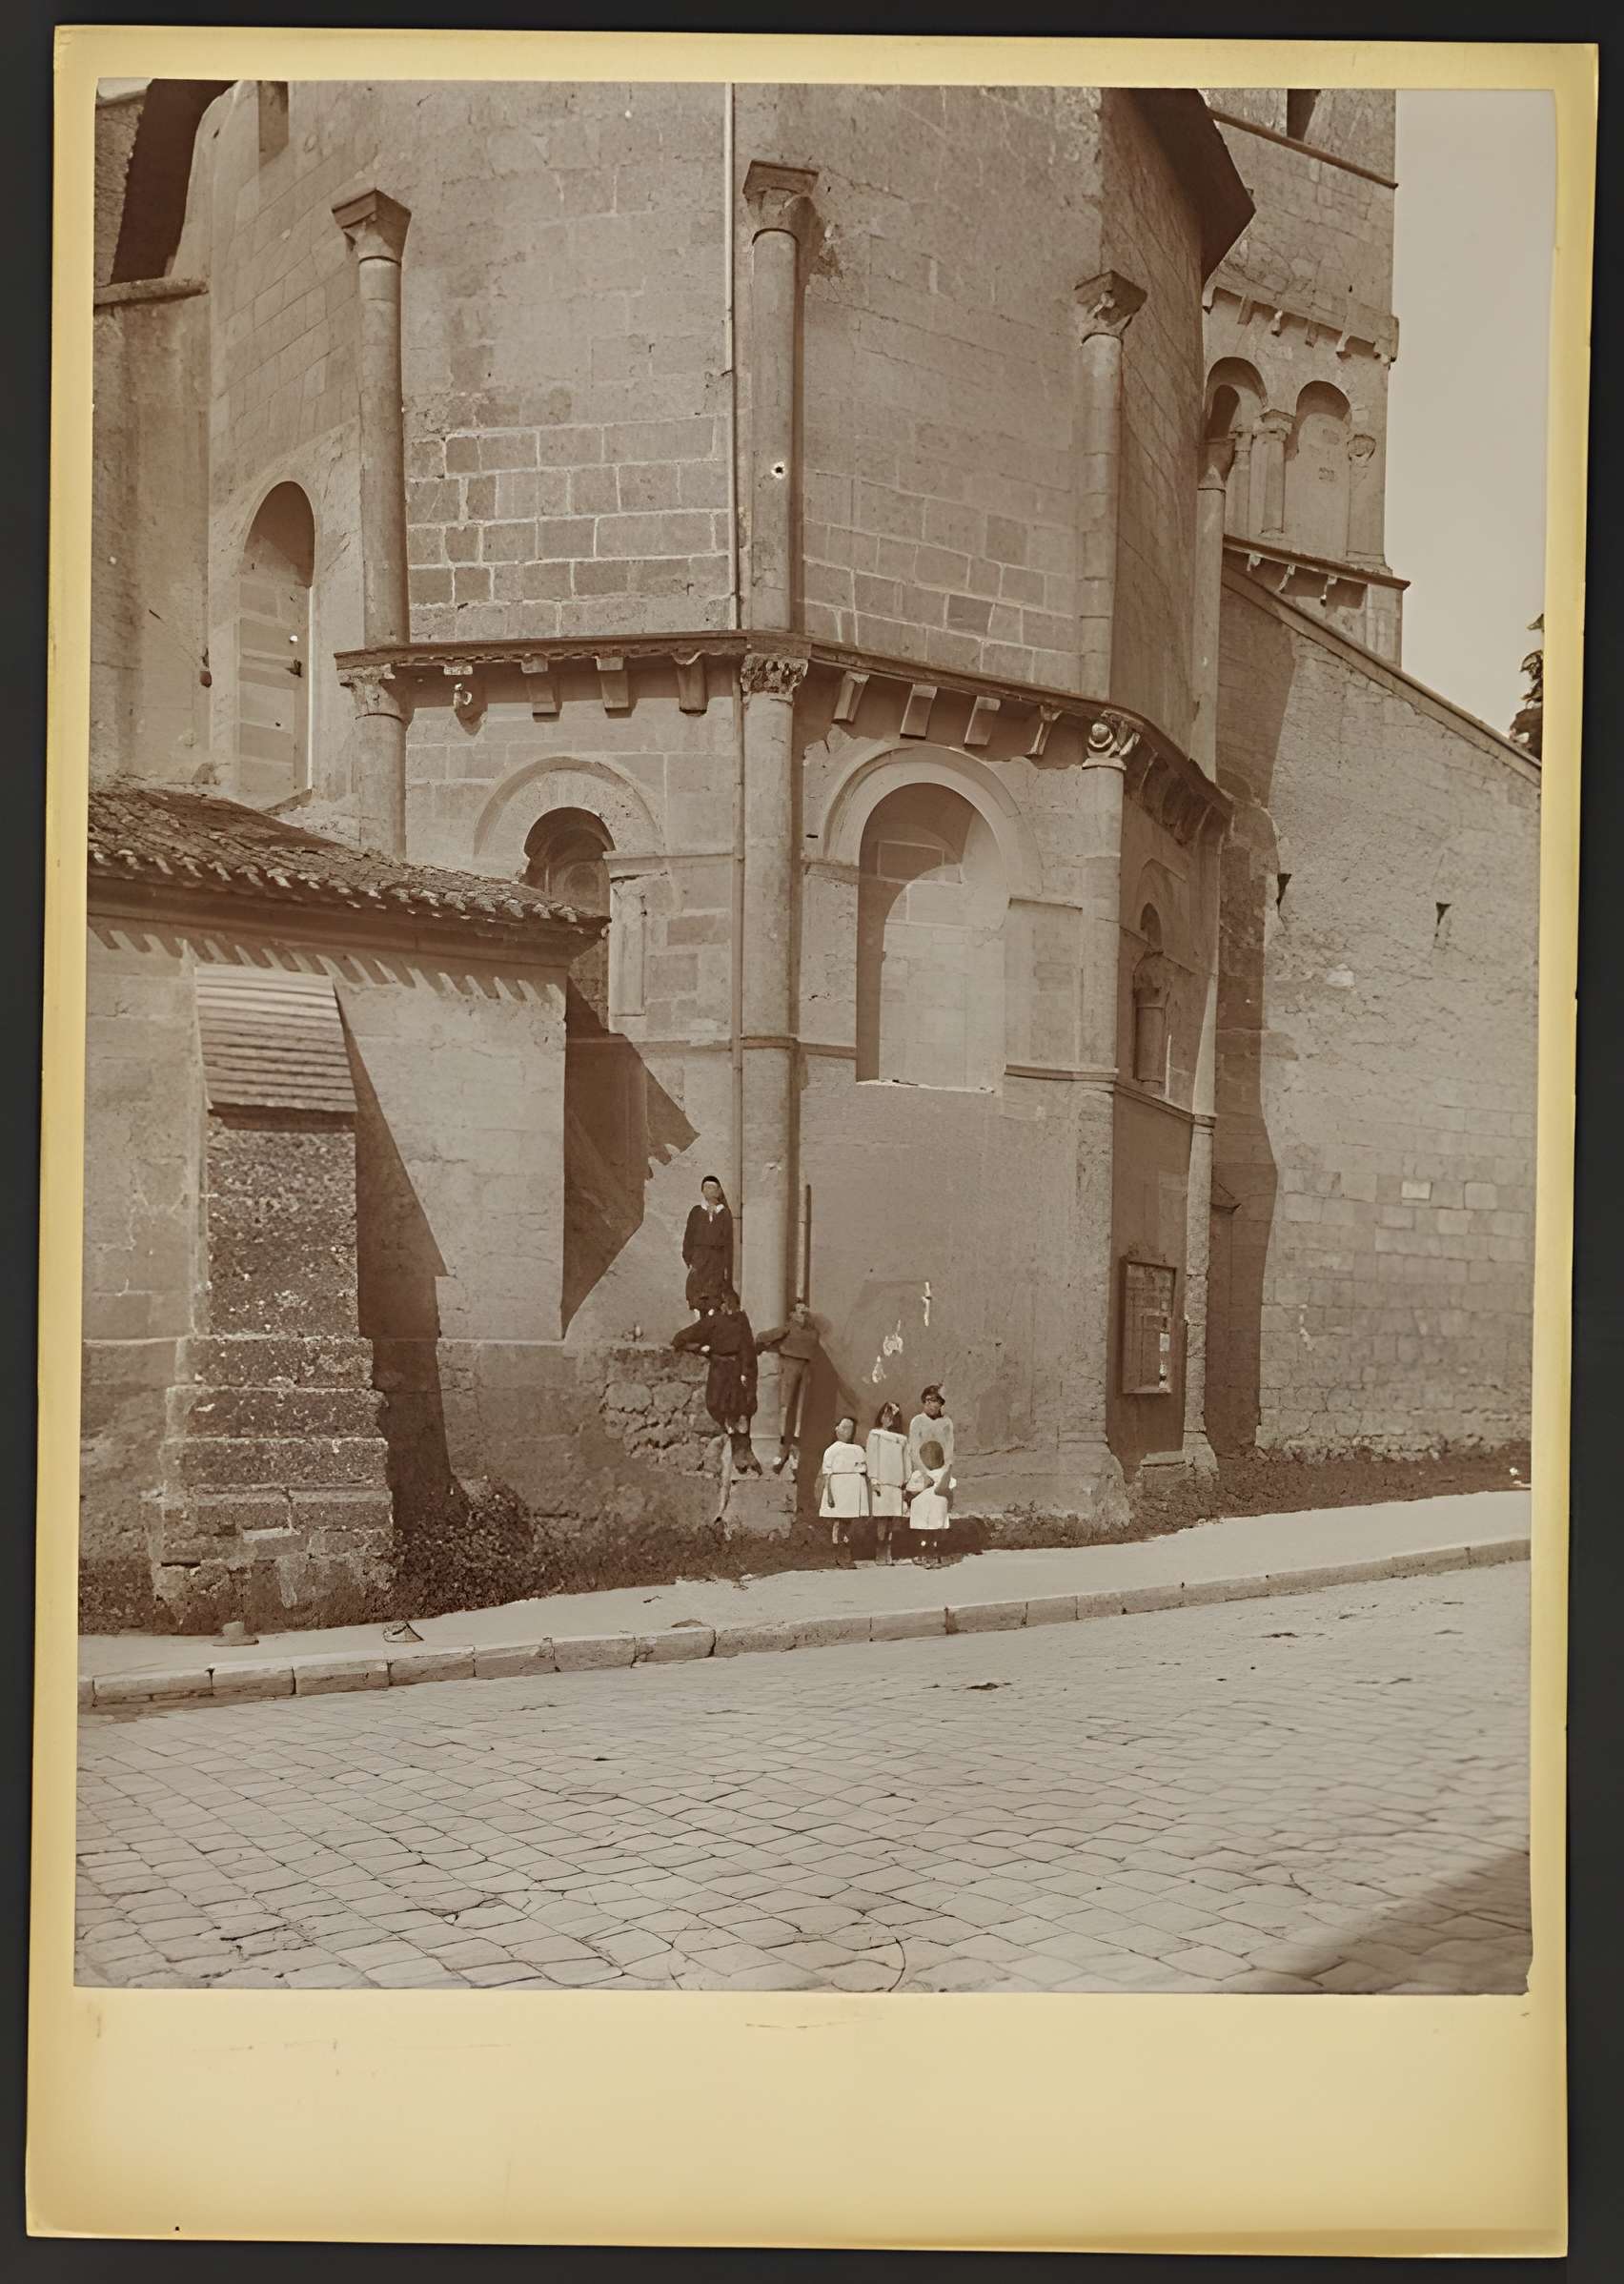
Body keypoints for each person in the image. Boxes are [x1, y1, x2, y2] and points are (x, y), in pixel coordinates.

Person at [671, 1285, 761, 1473]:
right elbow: (683, 1338)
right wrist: (701, 1349)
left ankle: (745, 1450)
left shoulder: (741, 1322)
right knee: (723, 1407)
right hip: (720, 1369)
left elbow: (747, 1348)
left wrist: (745, 1371)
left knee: (742, 1409)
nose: (731, 1308)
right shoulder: (713, 1322)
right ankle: (737, 1449)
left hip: (736, 1370)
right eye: (728, 1304)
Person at [754, 1300, 822, 1476]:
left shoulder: (813, 1333)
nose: (803, 1316)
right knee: (786, 1408)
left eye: (805, 1312)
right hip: (790, 1367)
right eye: (799, 1312)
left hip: (806, 1369)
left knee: (800, 1411)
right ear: (792, 1314)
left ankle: (795, 1451)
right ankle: (782, 1449)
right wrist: (767, 1345)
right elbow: (764, 1336)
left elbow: (812, 1347)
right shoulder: (787, 1328)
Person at [816, 1414, 868, 1566]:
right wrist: (830, 1496)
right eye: (845, 1427)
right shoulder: (831, 1450)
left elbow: (862, 1470)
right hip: (838, 1489)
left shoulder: (857, 1450)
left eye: (851, 1429)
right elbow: (827, 1474)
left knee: (850, 1522)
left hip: (852, 1490)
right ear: (836, 1429)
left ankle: (847, 1550)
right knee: (838, 1521)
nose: (848, 1431)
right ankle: (838, 1553)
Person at [681, 1175, 734, 1315]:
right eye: (706, 1187)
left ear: (719, 1192)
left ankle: (711, 1317)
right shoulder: (696, 1211)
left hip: (716, 1258)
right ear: (702, 1191)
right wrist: (688, 1257)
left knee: (714, 1290)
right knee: (697, 1289)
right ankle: (699, 1317)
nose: (709, 1191)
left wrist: (726, 1263)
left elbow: (728, 1240)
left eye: (712, 1188)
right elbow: (689, 1235)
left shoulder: (724, 1213)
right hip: (699, 1257)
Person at [864, 1400, 909, 1564]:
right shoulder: (875, 1435)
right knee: (881, 1518)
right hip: (881, 1482)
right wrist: (874, 1478)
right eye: (885, 1415)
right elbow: (871, 1457)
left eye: (891, 1416)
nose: (888, 1419)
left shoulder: (902, 1439)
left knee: (894, 1518)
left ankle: (890, 1549)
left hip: (896, 1483)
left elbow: (906, 1461)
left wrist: (906, 1481)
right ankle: (880, 1549)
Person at [905, 1437, 953, 1563]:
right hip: (933, 1508)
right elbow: (949, 1488)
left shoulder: (921, 1474)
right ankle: (931, 1554)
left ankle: (928, 1554)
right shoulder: (943, 1474)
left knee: (926, 1533)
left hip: (926, 1509)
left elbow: (910, 1489)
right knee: (933, 1532)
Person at [907, 1385, 956, 1479]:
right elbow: (914, 1452)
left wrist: (944, 1472)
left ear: (941, 1404)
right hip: (922, 1473)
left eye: (934, 1401)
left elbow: (949, 1451)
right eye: (927, 1401)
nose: (929, 1404)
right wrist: (925, 1474)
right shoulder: (917, 1421)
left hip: (942, 1473)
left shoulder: (947, 1422)